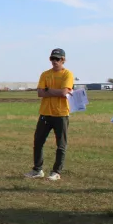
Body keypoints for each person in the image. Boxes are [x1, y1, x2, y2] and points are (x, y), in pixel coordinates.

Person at [25, 48, 74, 181]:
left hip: (61, 114)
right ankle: (37, 170)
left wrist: (48, 90)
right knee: (38, 141)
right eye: (52, 59)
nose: (54, 61)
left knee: (61, 144)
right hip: (45, 113)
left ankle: (56, 171)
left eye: (57, 59)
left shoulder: (67, 74)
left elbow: (64, 93)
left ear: (63, 60)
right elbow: (40, 93)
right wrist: (52, 91)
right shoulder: (45, 74)